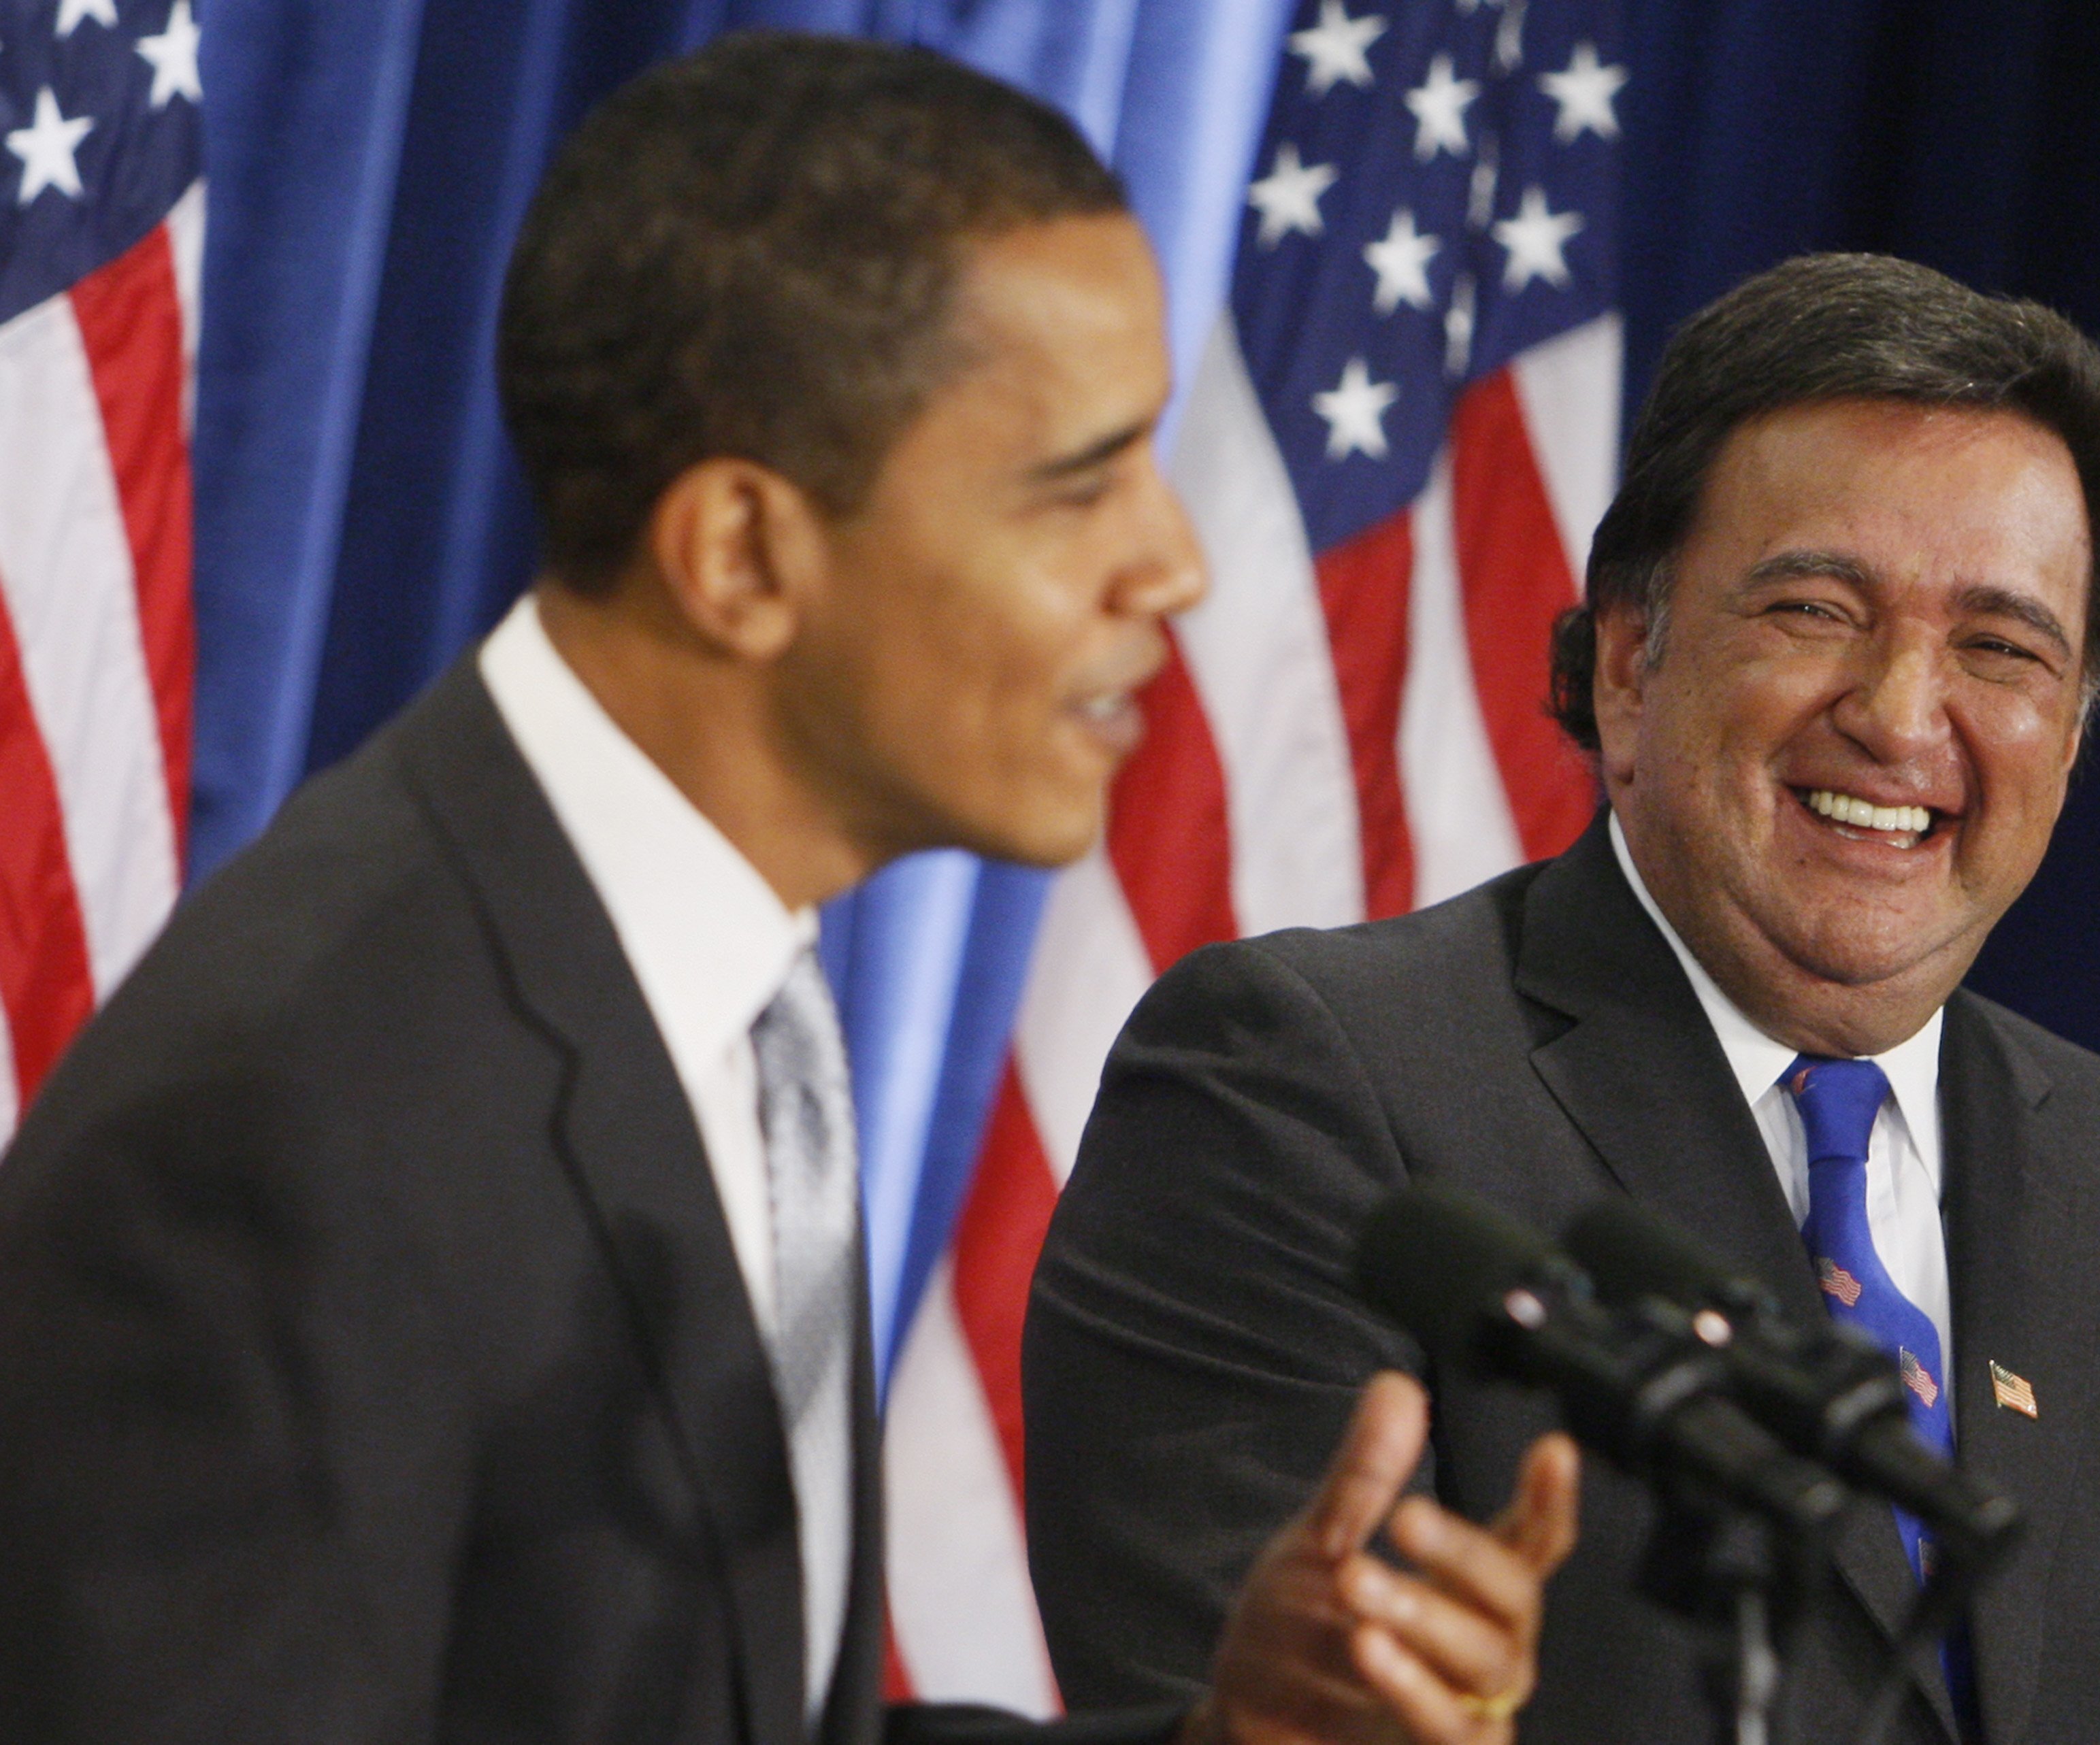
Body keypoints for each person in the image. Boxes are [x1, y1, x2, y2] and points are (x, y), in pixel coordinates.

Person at [0, 34, 1579, 1745]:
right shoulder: (290, 1130)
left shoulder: (715, 991)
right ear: (742, 553)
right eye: (1078, 487)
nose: (1174, 564)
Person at [1024, 253, 2100, 1744]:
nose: (1899, 713)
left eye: (1999, 648)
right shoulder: (1303, 1088)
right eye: (1814, 608)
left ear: (2068, 737)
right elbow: (1243, 1714)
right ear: (1626, 661)